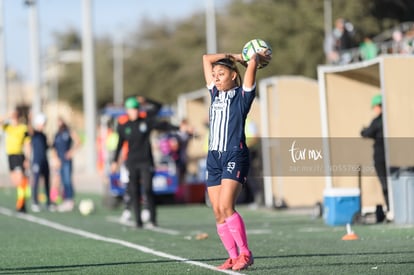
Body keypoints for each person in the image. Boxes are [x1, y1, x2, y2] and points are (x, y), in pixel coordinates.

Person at [202, 49, 271, 270]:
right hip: (213, 157)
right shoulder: (214, 93)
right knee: (217, 211)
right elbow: (206, 59)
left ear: (233, 75)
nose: (215, 78)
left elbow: (252, 66)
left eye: (220, 74)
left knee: (226, 205)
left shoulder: (242, 96)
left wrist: (251, 59)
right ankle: (232, 257)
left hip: (234, 154)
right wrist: (235, 56)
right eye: (214, 75)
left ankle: (245, 253)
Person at [111, 96, 174, 228]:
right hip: (132, 162)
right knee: (134, 191)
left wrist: (146, 100)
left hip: (146, 161)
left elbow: (158, 106)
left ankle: (152, 220)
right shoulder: (123, 126)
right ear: (127, 111)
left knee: (148, 189)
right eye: (131, 109)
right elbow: (119, 144)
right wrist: (114, 160)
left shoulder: (146, 121)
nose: (133, 111)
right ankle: (138, 221)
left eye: (135, 109)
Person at [361, 94, 387, 222]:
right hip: (389, 155)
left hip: (381, 157)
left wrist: (363, 131)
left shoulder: (378, 121)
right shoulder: (389, 120)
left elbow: (367, 133)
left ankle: (392, 209)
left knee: (385, 184)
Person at [1, 109, 31, 212]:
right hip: (10, 156)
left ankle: (21, 205)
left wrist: (27, 159)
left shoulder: (23, 128)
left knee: (19, 179)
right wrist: (7, 115)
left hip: (19, 156)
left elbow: (27, 144)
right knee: (16, 182)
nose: (14, 118)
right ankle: (22, 198)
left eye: (15, 116)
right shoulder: (8, 127)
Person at [52, 117, 80, 212]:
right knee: (60, 181)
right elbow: (54, 148)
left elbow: (78, 141)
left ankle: (69, 200)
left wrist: (71, 152)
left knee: (67, 180)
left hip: (66, 161)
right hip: (59, 162)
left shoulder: (68, 132)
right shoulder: (57, 134)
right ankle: (62, 200)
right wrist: (55, 159)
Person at [30, 113, 53, 212]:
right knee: (36, 181)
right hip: (37, 161)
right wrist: (30, 119)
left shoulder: (43, 135)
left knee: (47, 182)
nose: (44, 125)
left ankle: (48, 202)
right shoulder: (35, 133)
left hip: (45, 161)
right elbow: (30, 129)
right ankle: (35, 202)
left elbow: (47, 147)